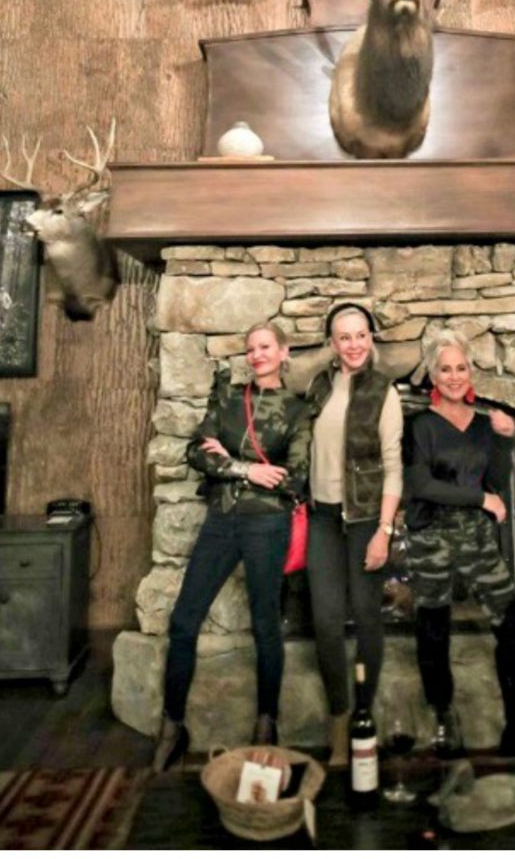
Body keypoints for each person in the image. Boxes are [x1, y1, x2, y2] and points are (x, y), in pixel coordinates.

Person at [152, 321, 312, 772]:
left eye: (265, 347)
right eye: (250, 348)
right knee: (184, 620)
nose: (256, 355)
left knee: (265, 625)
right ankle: (172, 724)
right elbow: (195, 453)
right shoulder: (226, 398)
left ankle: (267, 723)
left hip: (267, 527)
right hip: (221, 523)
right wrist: (247, 470)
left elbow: (295, 476)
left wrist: (228, 461)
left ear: (284, 352)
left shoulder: (299, 411)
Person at [404, 328, 515, 758]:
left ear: (470, 371)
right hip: (431, 538)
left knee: (513, 621)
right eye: (445, 369)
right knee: (433, 626)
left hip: (478, 539)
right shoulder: (419, 425)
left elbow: (497, 482)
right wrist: (480, 498)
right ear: (432, 374)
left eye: (461, 367)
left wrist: (503, 439)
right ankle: (445, 721)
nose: (454, 376)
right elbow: (422, 485)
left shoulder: (484, 423)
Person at [305, 302, 403, 767]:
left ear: (371, 338)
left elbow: (394, 467)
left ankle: (364, 716)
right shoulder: (319, 386)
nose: (354, 344)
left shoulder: (385, 391)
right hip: (322, 519)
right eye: (344, 337)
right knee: (325, 621)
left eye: (361, 335)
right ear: (332, 343)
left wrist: (384, 530)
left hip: (365, 520)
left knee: (367, 618)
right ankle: (340, 719)